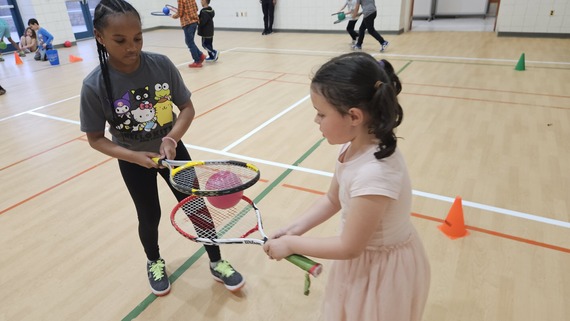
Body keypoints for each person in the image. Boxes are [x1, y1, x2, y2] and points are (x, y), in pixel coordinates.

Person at [79, 0, 245, 296]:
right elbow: (95, 138)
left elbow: (187, 108)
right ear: (100, 37)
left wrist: (172, 138)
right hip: (133, 160)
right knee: (149, 215)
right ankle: (154, 260)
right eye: (120, 40)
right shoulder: (94, 86)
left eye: (138, 38)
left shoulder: (161, 65)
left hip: (174, 154)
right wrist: (133, 156)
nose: (132, 47)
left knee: (197, 207)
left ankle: (217, 261)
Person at [263, 52, 430, 321]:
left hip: (381, 271)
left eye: (321, 114)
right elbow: (332, 199)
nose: (316, 121)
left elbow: (350, 246)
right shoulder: (353, 145)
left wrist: (293, 244)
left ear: (354, 116)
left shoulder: (374, 174)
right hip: (362, 260)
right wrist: (293, 229)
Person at [172, 0, 206, 68]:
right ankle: (201, 55)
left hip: (187, 23)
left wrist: (174, 16)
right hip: (194, 22)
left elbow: (180, 13)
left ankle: (197, 61)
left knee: (189, 42)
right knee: (190, 42)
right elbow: (196, 8)